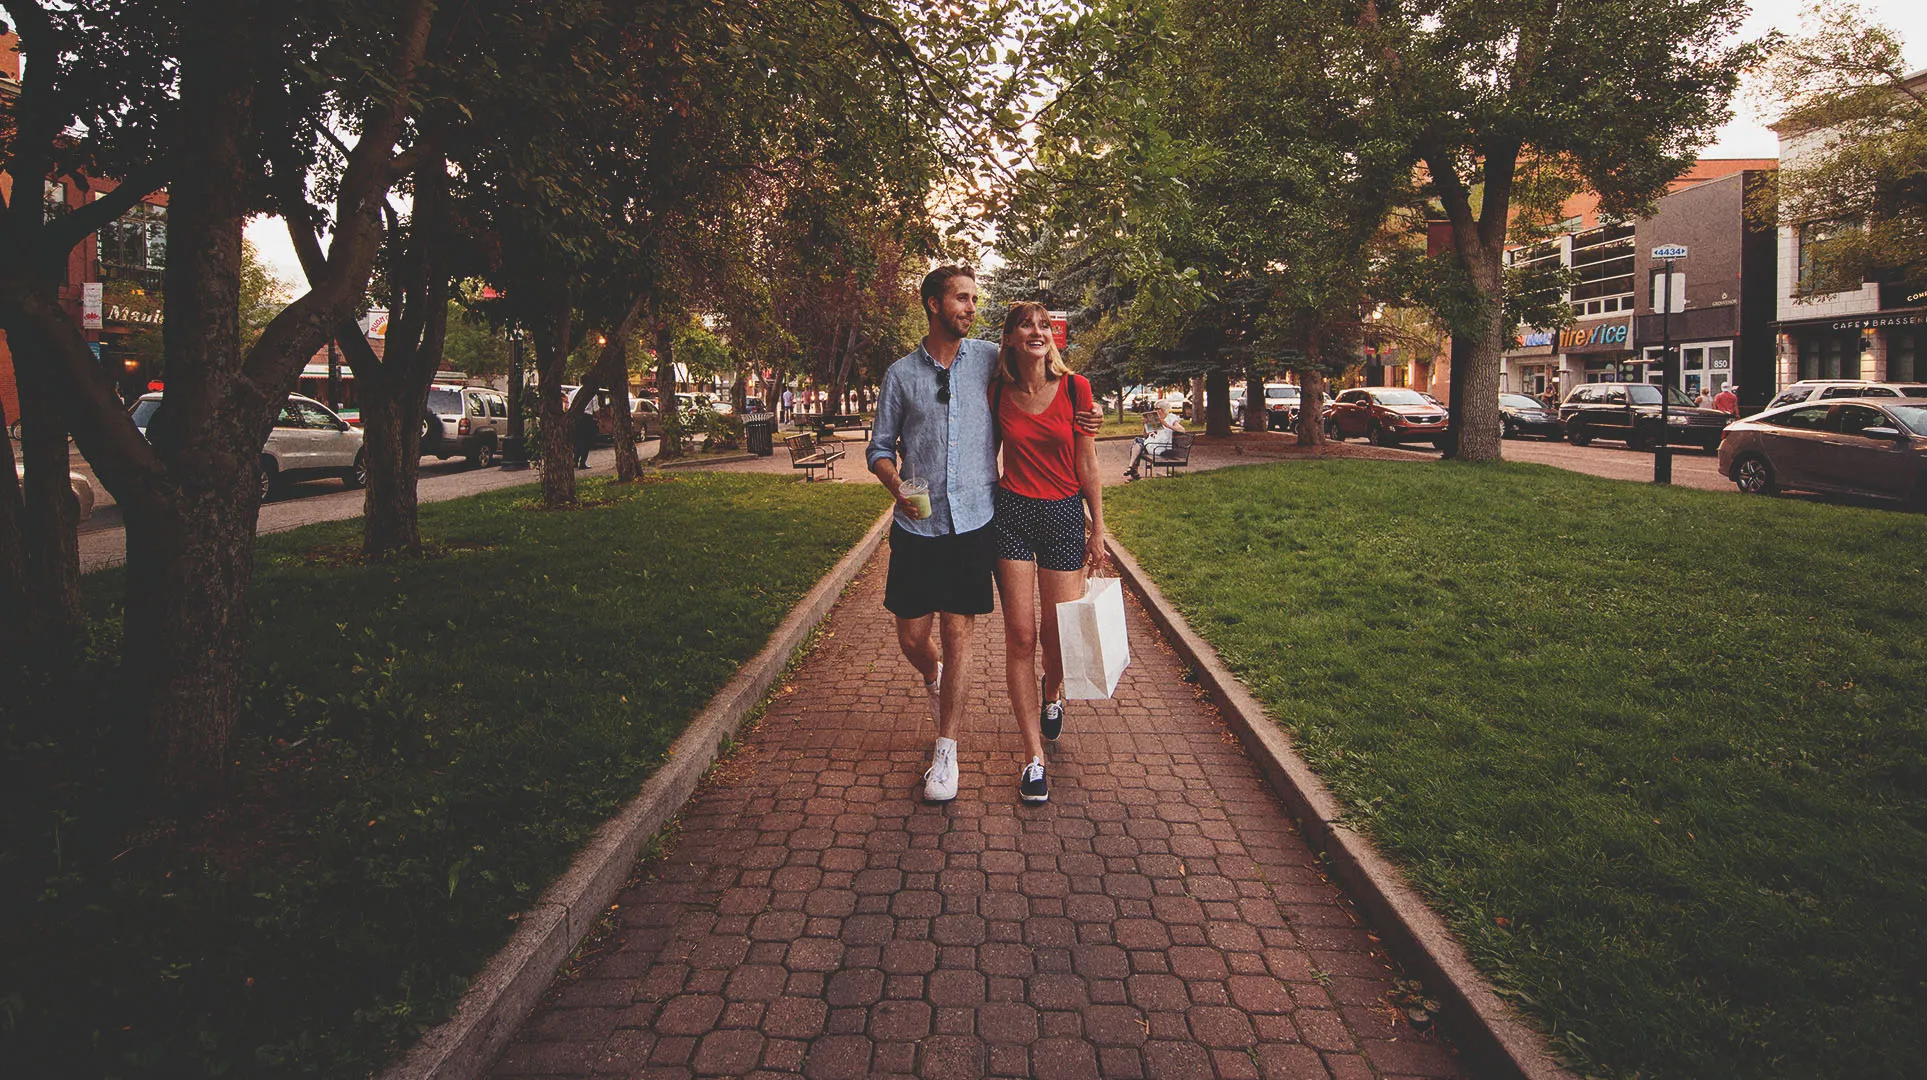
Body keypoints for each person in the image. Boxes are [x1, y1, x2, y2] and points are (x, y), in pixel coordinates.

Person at [868, 266, 1101, 803]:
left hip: (977, 520)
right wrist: (897, 484)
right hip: (922, 521)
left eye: (975, 299)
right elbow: (879, 448)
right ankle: (935, 676)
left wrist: (1082, 422)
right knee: (913, 638)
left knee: (973, 632)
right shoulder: (902, 375)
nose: (972, 308)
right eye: (962, 298)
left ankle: (951, 748)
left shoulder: (987, 364)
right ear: (932, 304)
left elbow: (1048, 382)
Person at [989, 302, 1105, 805]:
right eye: (1025, 326)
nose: (1036, 332)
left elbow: (1088, 462)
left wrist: (1098, 529)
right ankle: (1032, 757)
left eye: (1043, 326)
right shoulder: (998, 392)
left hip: (1062, 517)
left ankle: (1052, 690)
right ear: (1011, 338)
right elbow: (981, 449)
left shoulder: (1077, 389)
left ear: (1051, 338)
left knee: (1058, 638)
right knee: (1020, 634)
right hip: (1011, 515)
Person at [1124, 404, 1183, 480]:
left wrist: (1167, 425)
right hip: (1153, 444)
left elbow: (1182, 430)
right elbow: (1145, 436)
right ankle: (1132, 469)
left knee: (1137, 443)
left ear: (1162, 409)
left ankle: (1132, 470)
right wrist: (1145, 425)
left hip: (1160, 447)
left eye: (1156, 408)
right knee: (1137, 443)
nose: (1154, 410)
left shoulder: (1171, 418)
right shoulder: (1156, 419)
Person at [572, 403, 598, 469]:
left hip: (576, 418)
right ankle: (582, 463)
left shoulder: (572, 393)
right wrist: (598, 418)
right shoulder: (592, 394)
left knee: (578, 441)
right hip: (587, 418)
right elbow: (596, 409)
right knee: (586, 441)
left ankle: (575, 461)